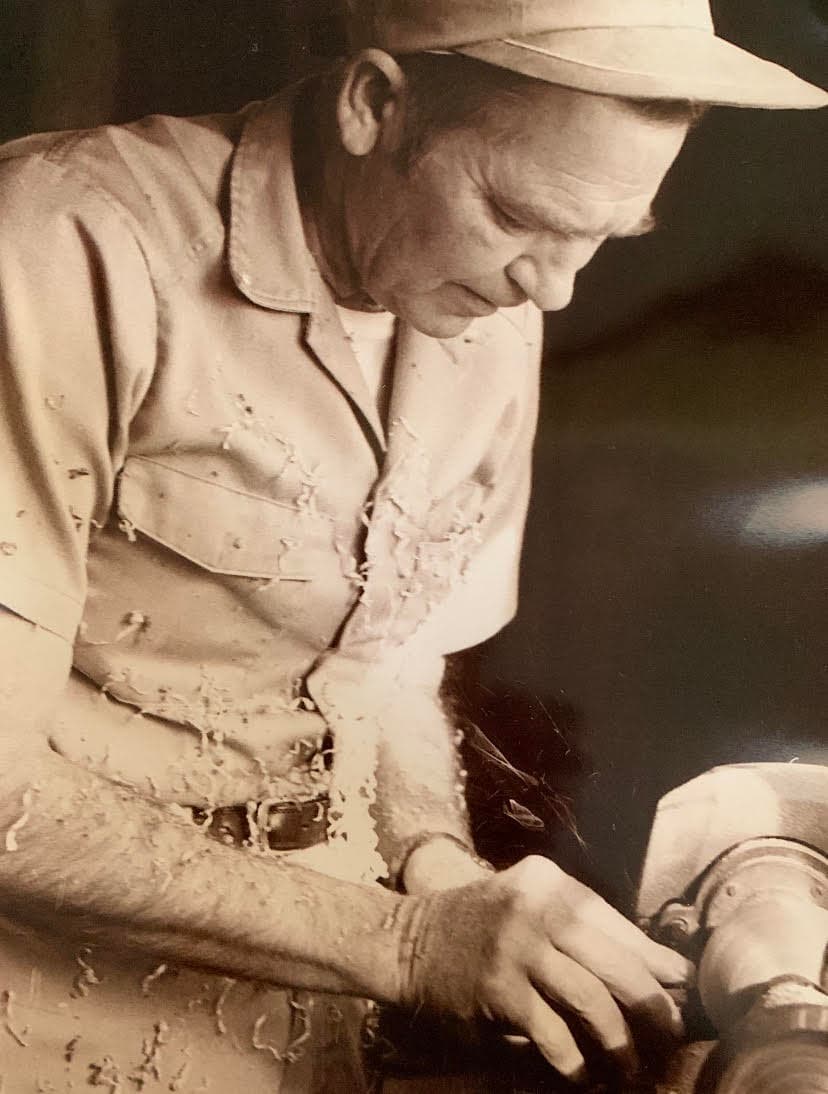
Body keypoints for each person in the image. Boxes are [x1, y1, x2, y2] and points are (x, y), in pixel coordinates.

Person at [0, 2, 824, 1090]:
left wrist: (431, 864)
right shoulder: (60, 246)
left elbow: (387, 659)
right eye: (518, 215)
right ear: (374, 103)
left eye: (601, 239)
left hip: (316, 1018)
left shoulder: (488, 302)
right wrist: (402, 944)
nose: (555, 286)